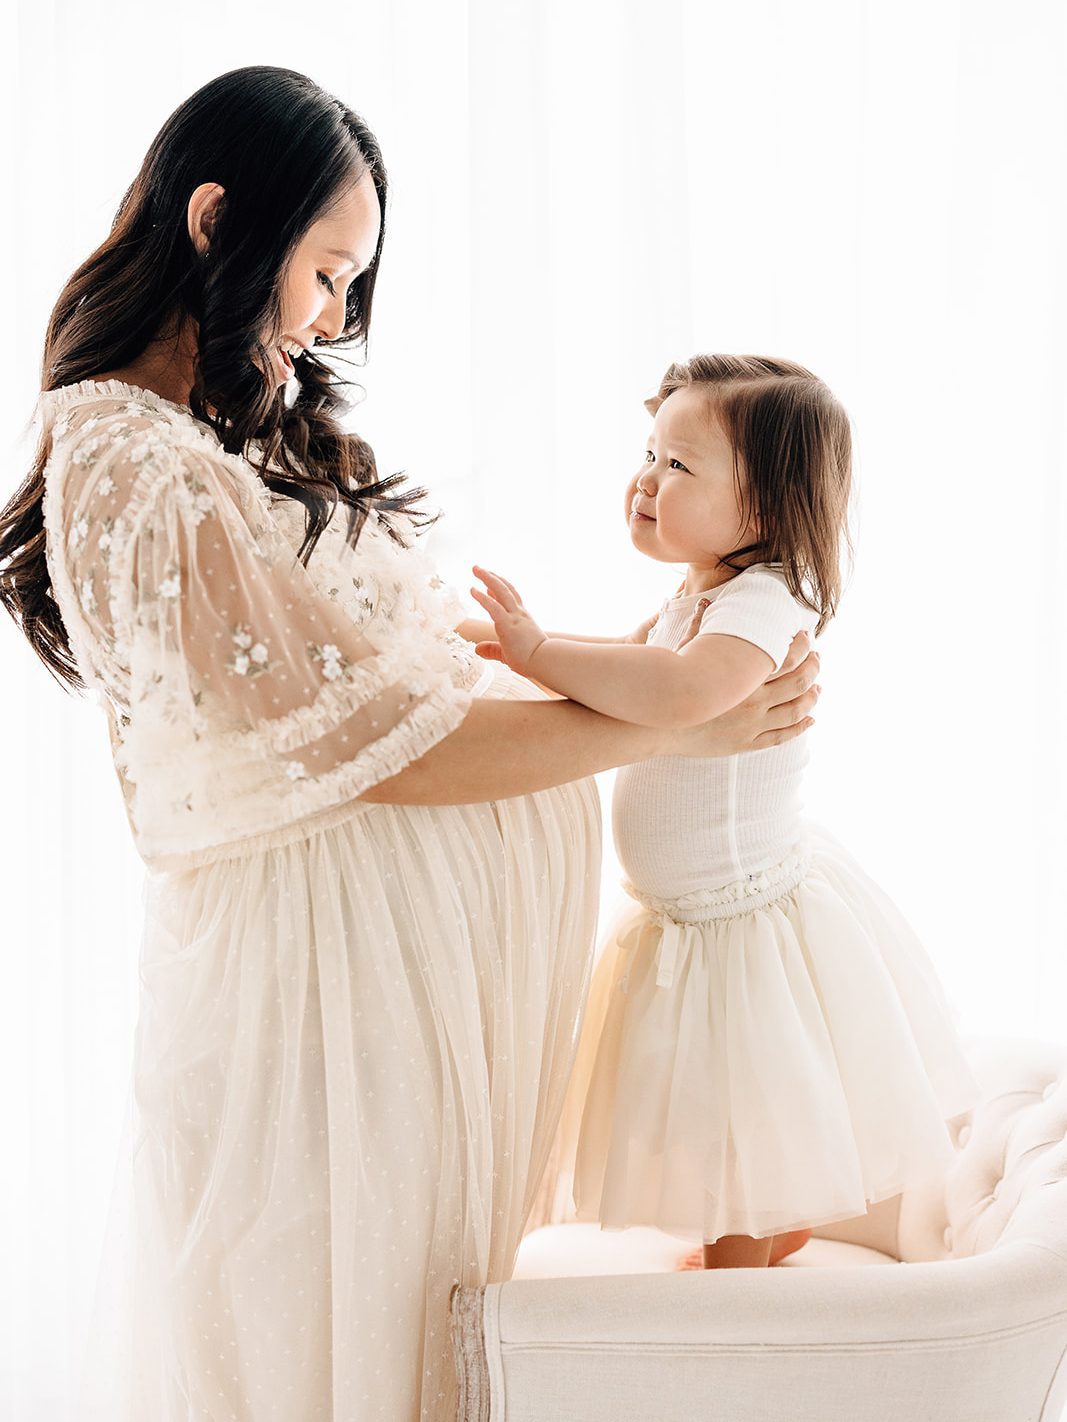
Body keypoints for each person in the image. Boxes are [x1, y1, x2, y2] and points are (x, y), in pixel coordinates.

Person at [0, 72, 820, 1417]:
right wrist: (673, 725)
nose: (330, 318)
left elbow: (396, 704)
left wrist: (680, 680)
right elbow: (390, 754)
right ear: (216, 222)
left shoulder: (204, 436)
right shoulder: (133, 458)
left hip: (372, 1017)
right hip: (312, 1019)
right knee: (321, 1366)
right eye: (325, 274)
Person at [472, 353, 977, 1270]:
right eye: (649, 452)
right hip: (692, 917)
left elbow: (678, 693)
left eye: (679, 466)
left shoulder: (762, 601)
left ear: (768, 510)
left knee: (734, 1115)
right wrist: (503, 645)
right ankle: (756, 1237)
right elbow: (625, 658)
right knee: (704, 1115)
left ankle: (737, 1301)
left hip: (738, 924)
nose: (646, 479)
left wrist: (537, 651)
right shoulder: (697, 592)